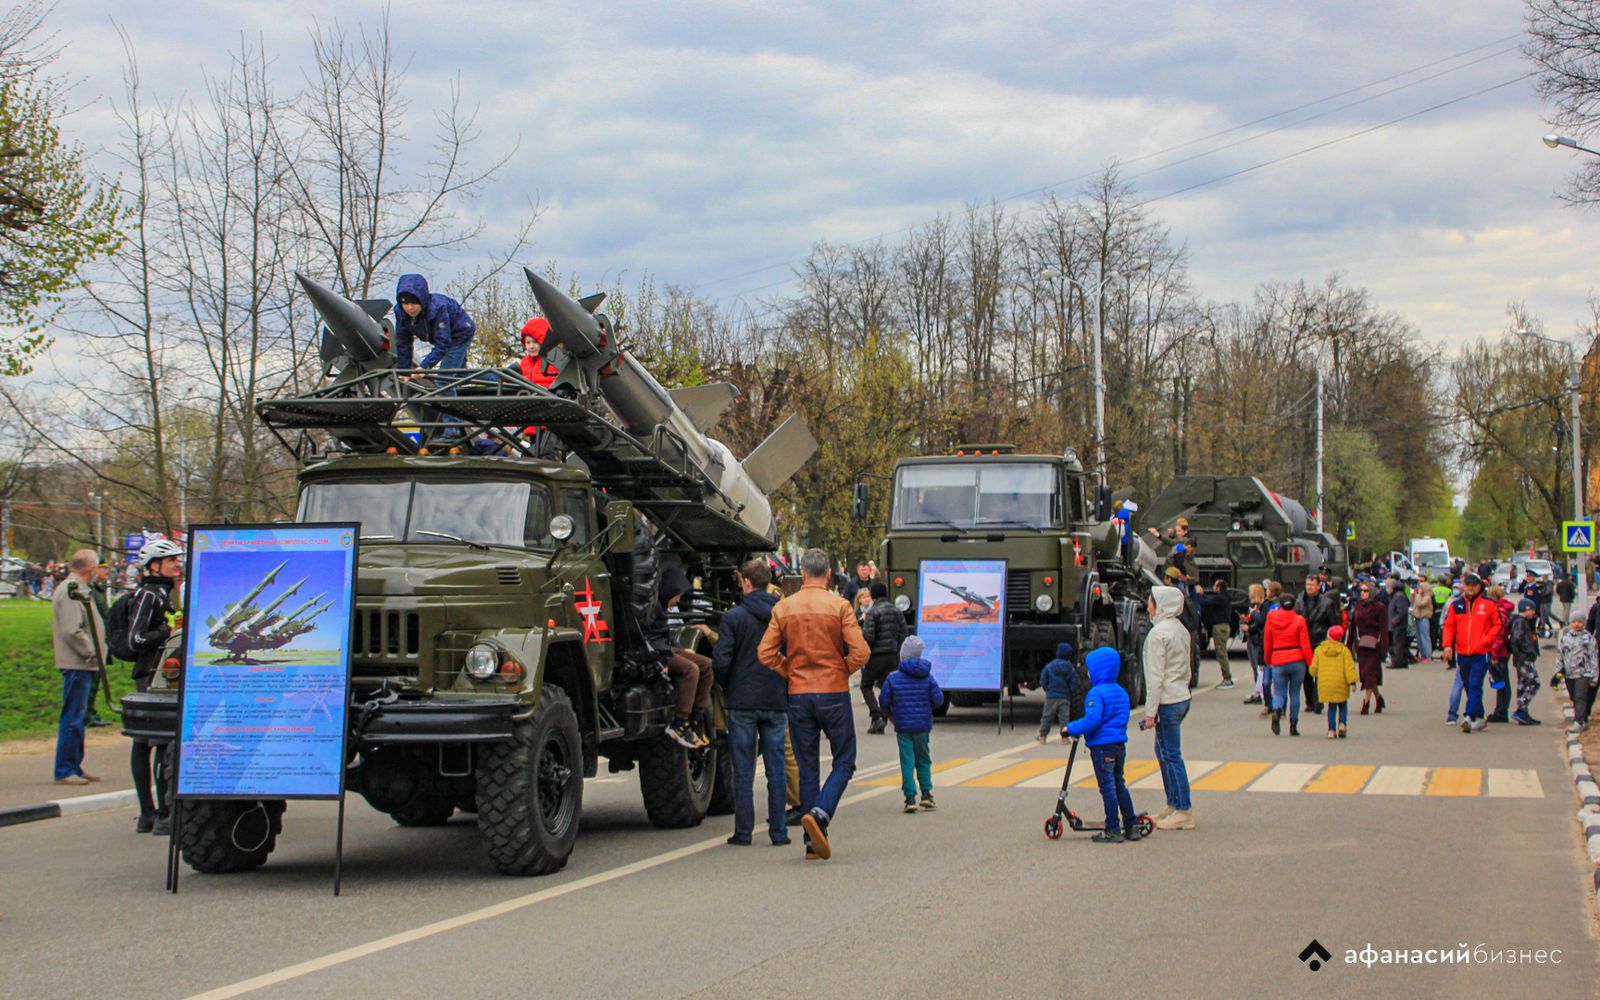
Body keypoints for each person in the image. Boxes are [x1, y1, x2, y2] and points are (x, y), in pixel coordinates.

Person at [758, 547, 871, 861]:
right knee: (845, 759)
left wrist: (791, 671)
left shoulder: (784, 607)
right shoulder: (839, 606)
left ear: (803, 574)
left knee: (807, 765)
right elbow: (861, 652)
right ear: (829, 575)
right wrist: (840, 670)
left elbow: (765, 653)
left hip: (798, 693)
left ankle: (811, 843)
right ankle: (821, 814)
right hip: (833, 691)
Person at [711, 560, 788, 847]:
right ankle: (778, 832)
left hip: (742, 701)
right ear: (767, 583)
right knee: (776, 769)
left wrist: (728, 684)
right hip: (775, 698)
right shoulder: (781, 615)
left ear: (745, 582)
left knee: (743, 771)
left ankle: (743, 832)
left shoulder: (734, 617)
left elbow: (721, 661)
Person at [127, 538, 184, 834]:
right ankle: (158, 814)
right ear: (153, 566)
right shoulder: (150, 594)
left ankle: (151, 814)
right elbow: (135, 639)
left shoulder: (165, 593)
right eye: (172, 560)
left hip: (157, 672)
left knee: (147, 742)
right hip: (150, 673)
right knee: (157, 741)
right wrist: (167, 630)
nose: (178, 564)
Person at [1067, 646, 1139, 843]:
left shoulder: (1096, 694)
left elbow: (1092, 720)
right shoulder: (1122, 692)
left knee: (1107, 788)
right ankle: (1131, 825)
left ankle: (1113, 829)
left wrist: (1070, 728)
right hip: (1118, 745)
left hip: (1102, 747)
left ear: (1099, 670)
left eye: (1091, 668)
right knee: (1119, 784)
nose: (1089, 673)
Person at [1142, 586, 1195, 830]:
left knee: (1171, 755)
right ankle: (1173, 804)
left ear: (1161, 605)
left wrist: (1150, 712)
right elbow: (1188, 666)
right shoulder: (1180, 630)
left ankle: (1183, 809)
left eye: (1151, 602)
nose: (1148, 606)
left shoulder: (1157, 635)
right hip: (1181, 696)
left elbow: (1155, 678)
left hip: (1167, 700)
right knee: (1164, 752)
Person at [51, 550, 106, 786]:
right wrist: (91, 652)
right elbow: (72, 630)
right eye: (96, 567)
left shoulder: (79, 590)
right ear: (89, 568)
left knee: (79, 715)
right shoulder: (71, 591)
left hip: (84, 664)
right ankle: (65, 769)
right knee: (73, 716)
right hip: (77, 663)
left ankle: (74, 764)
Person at [878, 635, 944, 813]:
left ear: (902, 655)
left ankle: (910, 798)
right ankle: (927, 794)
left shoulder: (893, 678)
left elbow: (883, 699)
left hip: (903, 727)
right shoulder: (927, 677)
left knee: (907, 760)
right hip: (922, 727)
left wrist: (889, 714)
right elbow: (938, 700)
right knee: (923, 759)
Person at [1441, 572, 1504, 734]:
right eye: (1467, 585)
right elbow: (1449, 627)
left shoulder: (1488, 605)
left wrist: (1487, 640)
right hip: (1462, 652)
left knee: (1475, 683)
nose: (1470, 588)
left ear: (1479, 587)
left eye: (1473, 585)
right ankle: (1480, 718)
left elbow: (1497, 625)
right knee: (1469, 686)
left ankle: (1468, 716)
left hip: (1481, 652)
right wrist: (1448, 645)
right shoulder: (1457, 605)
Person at [659, 568, 714, 749]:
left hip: (666, 647)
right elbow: (651, 637)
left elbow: (663, 634)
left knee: (707, 665)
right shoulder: (653, 609)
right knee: (692, 669)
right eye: (677, 595)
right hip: (659, 650)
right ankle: (679, 723)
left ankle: (696, 719)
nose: (679, 600)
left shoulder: (660, 607)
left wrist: (683, 650)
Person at [393, 273, 477, 372]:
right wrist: (404, 370)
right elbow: (403, 342)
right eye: (405, 303)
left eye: (414, 303)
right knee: (461, 375)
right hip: (443, 338)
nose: (410, 308)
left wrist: (424, 366)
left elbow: (443, 343)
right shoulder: (401, 314)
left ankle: (498, 381)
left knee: (444, 379)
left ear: (422, 300)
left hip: (459, 334)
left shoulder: (437, 309)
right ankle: (497, 379)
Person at [859, 581, 907, 734]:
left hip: (875, 656)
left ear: (872, 595)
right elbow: (903, 633)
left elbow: (869, 636)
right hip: (892, 655)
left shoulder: (873, 612)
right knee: (886, 687)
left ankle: (876, 714)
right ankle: (885, 716)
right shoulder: (896, 611)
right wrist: (897, 650)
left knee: (866, 685)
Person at [1264, 588, 1312, 736]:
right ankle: (1293, 725)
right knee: (1295, 693)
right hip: (1297, 659)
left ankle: (1277, 709)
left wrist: (1268, 659)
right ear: (1294, 605)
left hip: (1278, 657)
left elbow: (1267, 641)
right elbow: (1305, 644)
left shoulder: (1271, 619)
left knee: (1279, 692)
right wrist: (1311, 663)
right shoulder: (1299, 620)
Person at [1295, 577, 1337, 715]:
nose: (1309, 587)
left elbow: (1333, 624)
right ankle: (1310, 702)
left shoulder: (1327, 603)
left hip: (1320, 641)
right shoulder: (1300, 600)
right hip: (1304, 641)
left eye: (1312, 585)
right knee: (1306, 673)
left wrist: (1331, 642)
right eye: (1307, 584)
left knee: (1319, 673)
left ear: (1319, 586)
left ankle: (1318, 701)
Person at [1311, 624, 1359, 739]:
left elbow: (1313, 669)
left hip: (1326, 684)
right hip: (1340, 683)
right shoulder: (1344, 651)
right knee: (1343, 704)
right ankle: (1342, 724)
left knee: (1331, 707)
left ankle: (1331, 730)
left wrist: (1317, 674)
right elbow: (1349, 668)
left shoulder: (1319, 650)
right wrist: (1352, 682)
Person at [1348, 580, 1389, 716]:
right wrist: (1348, 644)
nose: (1363, 594)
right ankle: (1378, 698)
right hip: (1360, 644)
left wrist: (1384, 649)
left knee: (1370, 673)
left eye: (1365, 591)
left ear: (1371, 592)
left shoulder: (1380, 607)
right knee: (1365, 674)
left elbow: (1384, 629)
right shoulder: (1358, 605)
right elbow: (1353, 626)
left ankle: (1366, 703)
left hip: (1374, 645)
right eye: (1361, 591)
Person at [1504, 599, 1543, 726]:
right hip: (1524, 658)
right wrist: (1527, 650)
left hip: (1523, 658)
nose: (1533, 613)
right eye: (1531, 610)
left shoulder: (1524, 622)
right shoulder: (1520, 622)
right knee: (1534, 682)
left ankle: (1523, 712)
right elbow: (1517, 639)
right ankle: (1521, 708)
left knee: (1523, 683)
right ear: (1525, 610)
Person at [1559, 616, 1598, 732]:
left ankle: (1578, 722)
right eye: (1574, 622)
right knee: (1574, 697)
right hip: (1569, 674)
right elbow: (1560, 654)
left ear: (1584, 623)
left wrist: (1594, 675)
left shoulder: (1589, 638)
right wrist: (1558, 671)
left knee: (1580, 696)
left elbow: (1593, 657)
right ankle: (1584, 719)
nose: (1577, 624)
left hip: (1583, 673)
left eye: (1580, 622)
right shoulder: (1566, 638)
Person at [1036, 642, 1079, 744]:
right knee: (1064, 718)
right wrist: (1069, 691)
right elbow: (1075, 682)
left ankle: (1043, 736)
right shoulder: (1070, 668)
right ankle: (1065, 738)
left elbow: (1043, 680)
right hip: (1064, 696)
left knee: (1047, 716)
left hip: (1051, 696)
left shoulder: (1049, 666)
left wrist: (1048, 689)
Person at [1199, 579, 1235, 689]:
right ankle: (1227, 677)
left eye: (1215, 585)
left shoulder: (1220, 598)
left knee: (1221, 653)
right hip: (1223, 626)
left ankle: (1227, 678)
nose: (1213, 587)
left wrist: (1199, 594)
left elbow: (1205, 603)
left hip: (1220, 627)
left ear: (1219, 587)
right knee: (1222, 652)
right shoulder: (1224, 597)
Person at [1240, 583, 1268, 707]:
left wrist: (1250, 627)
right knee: (1253, 665)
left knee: (1259, 666)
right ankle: (1258, 689)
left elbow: (1261, 623)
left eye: (1251, 591)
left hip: (1257, 639)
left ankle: (1261, 692)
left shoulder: (1263, 607)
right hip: (1251, 638)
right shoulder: (1253, 607)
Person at [1386, 577, 1411, 672]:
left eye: (1389, 587)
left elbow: (1402, 610)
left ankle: (1397, 661)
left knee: (1398, 643)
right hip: (1396, 624)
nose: (1388, 588)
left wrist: (1395, 620)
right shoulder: (1395, 595)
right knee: (1398, 642)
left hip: (1398, 624)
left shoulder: (1399, 596)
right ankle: (1401, 660)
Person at [1411, 579, 1435, 661]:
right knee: (1419, 637)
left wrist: (1418, 595)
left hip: (1424, 618)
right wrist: (1413, 595)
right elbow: (1413, 603)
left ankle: (1428, 655)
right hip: (1417, 617)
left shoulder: (1428, 597)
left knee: (1425, 637)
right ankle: (1422, 654)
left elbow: (1420, 604)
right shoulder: (1419, 596)